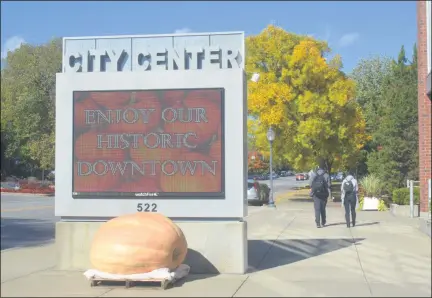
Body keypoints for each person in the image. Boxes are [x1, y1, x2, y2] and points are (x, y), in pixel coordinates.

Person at [309, 164, 331, 228]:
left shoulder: (313, 175)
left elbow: (310, 184)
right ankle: (323, 222)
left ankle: (318, 223)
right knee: (323, 209)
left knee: (317, 209)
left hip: (316, 195)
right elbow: (329, 185)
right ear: (324, 169)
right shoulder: (326, 175)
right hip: (324, 195)